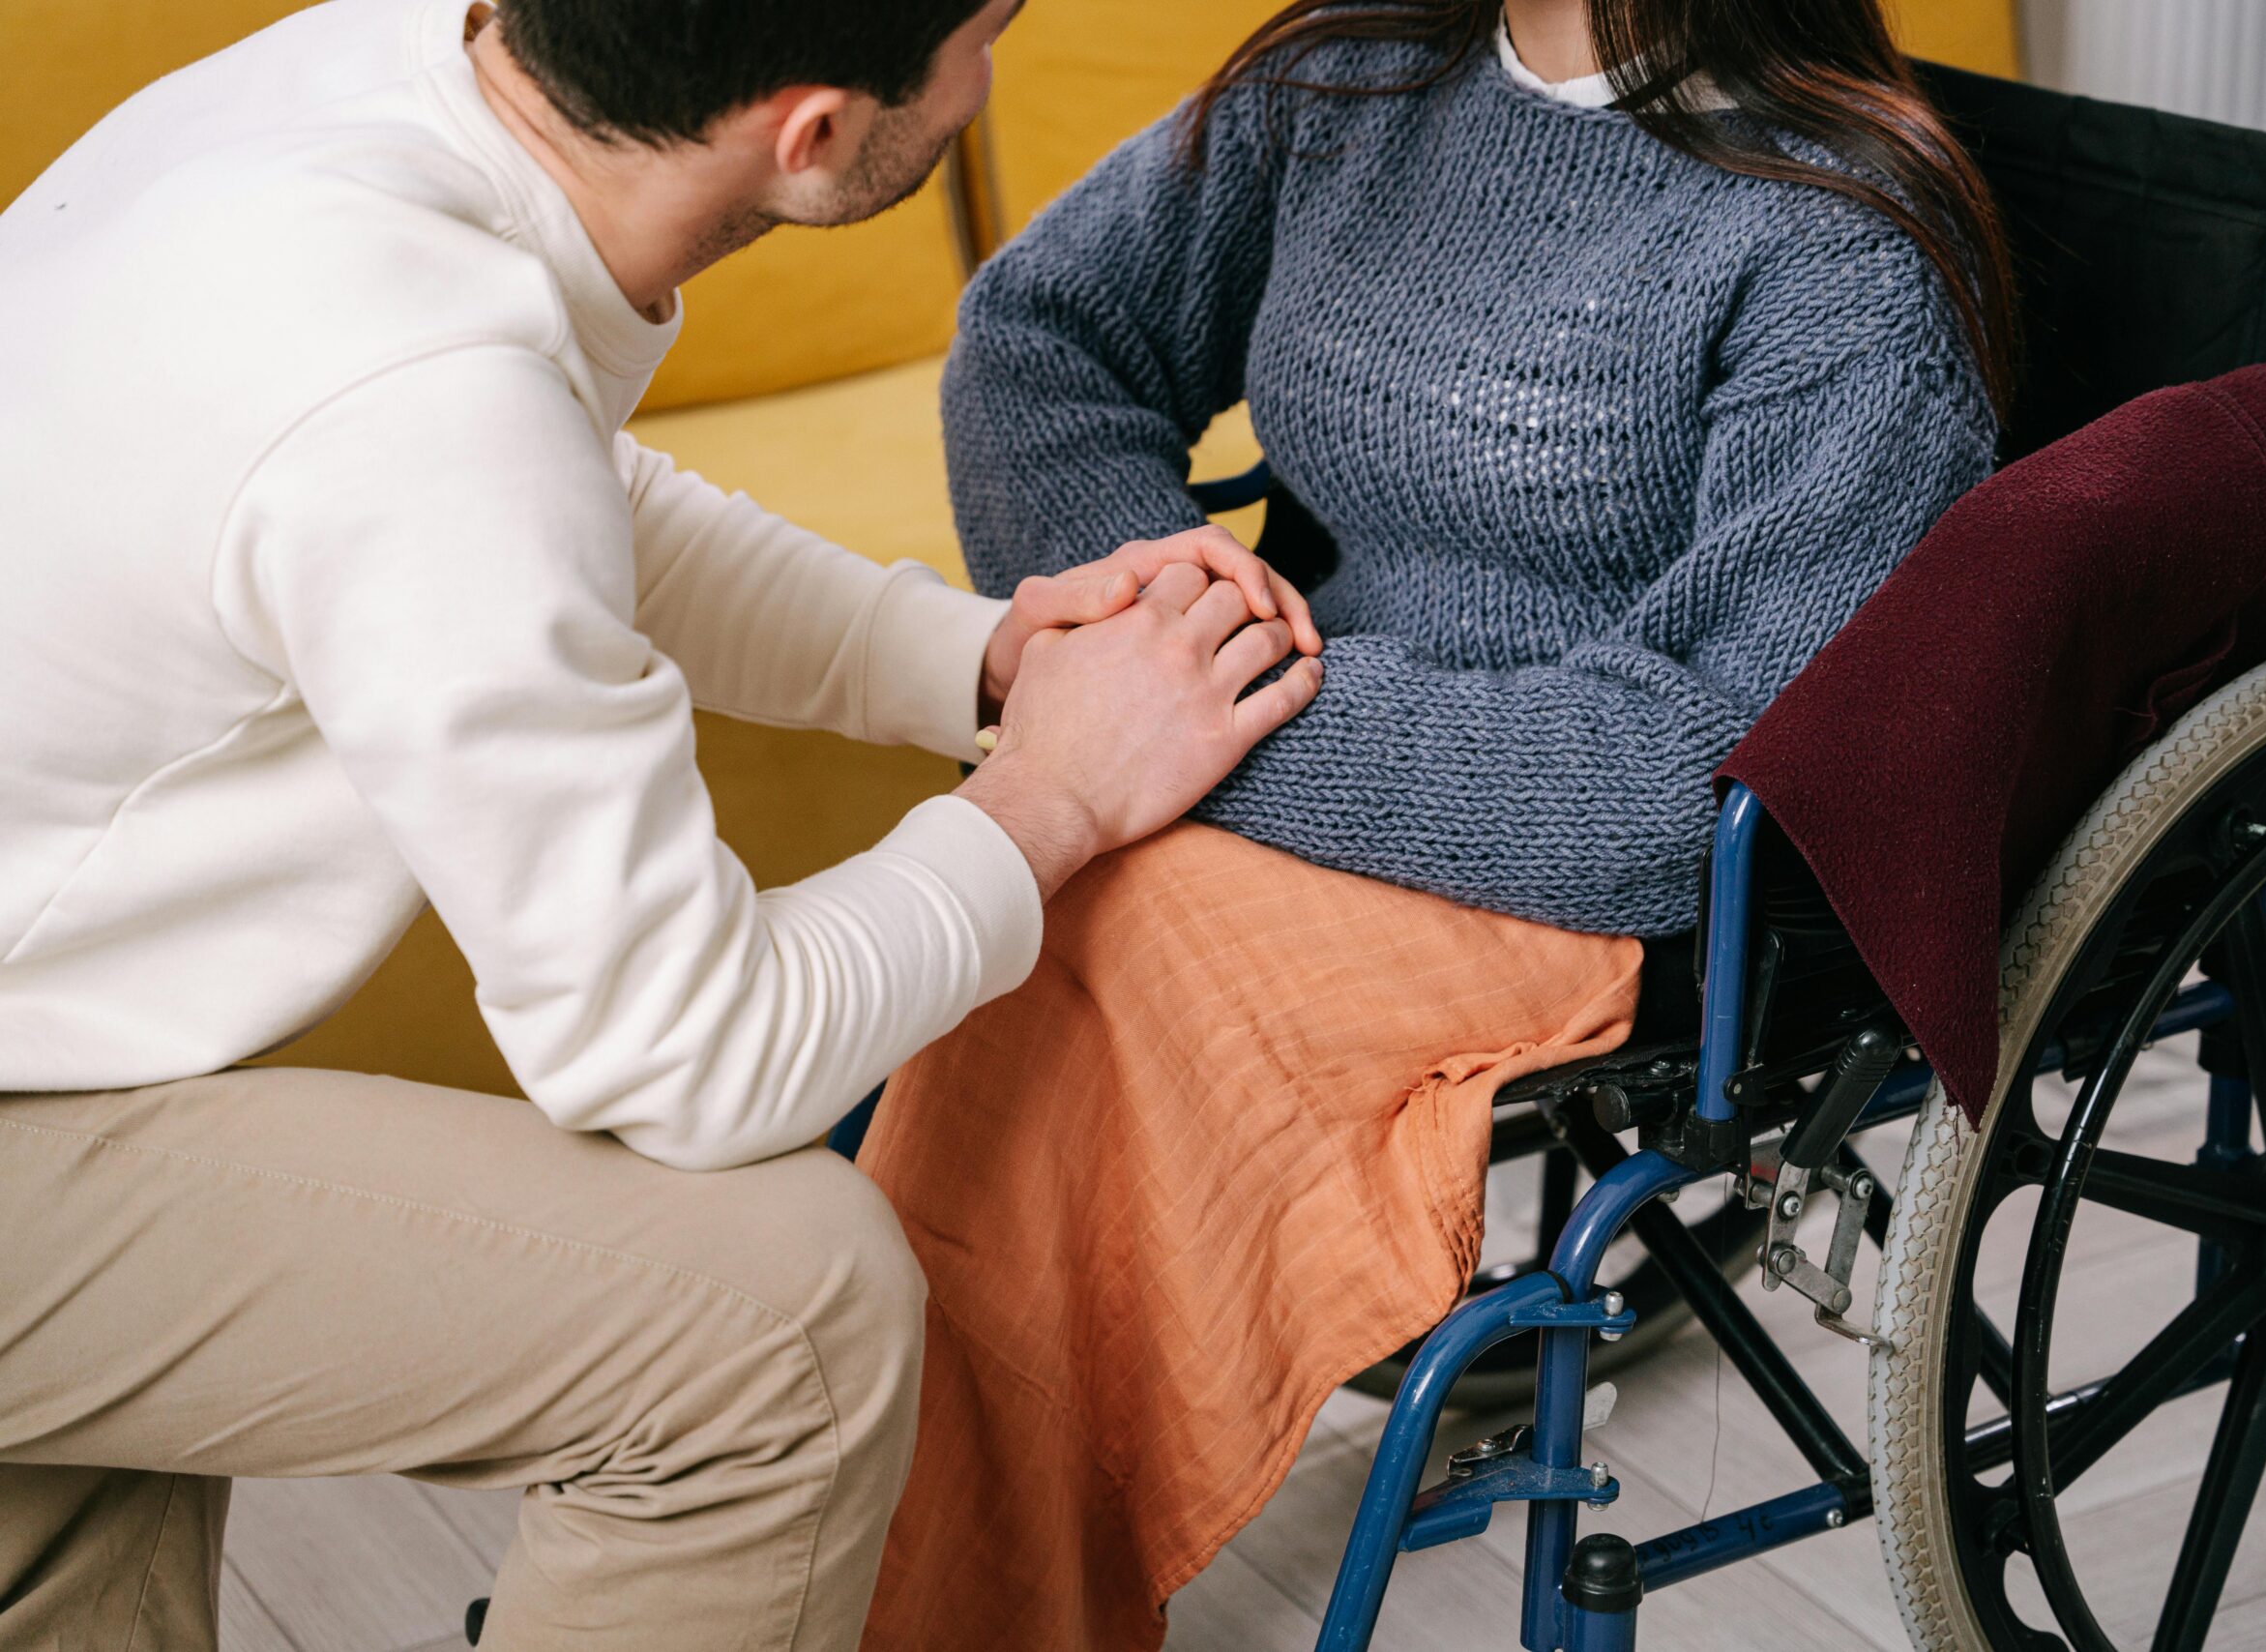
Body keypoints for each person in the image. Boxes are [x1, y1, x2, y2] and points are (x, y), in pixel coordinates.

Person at [0, 0, 1322, 1645]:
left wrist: (981, 655)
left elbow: (554, 494)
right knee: (786, 1319)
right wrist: (1049, 800)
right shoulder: (424, 407)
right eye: (990, 37)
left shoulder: (379, 78)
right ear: (818, 133)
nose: (992, 79)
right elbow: (684, 1059)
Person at [856, 0, 2010, 1645]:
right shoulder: (1344, 79)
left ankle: (953, 1594)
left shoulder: (1835, 244)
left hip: (1570, 851)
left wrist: (1203, 720)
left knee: (1104, 927)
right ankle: (849, 1538)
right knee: (998, 908)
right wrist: (1163, 626)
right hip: (1308, 733)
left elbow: (1684, 783)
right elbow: (1043, 339)